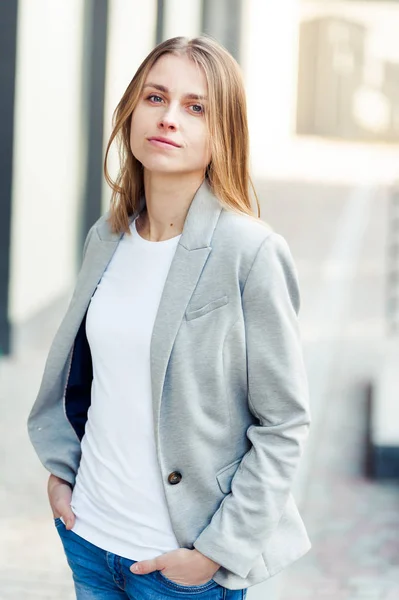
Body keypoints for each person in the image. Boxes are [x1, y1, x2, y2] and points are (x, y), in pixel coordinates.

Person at [27, 35, 311, 599]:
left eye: (195, 106)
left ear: (222, 132)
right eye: (156, 97)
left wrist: (214, 553)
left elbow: (283, 425)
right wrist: (62, 476)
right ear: (132, 112)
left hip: (180, 568)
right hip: (90, 537)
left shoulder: (248, 252)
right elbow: (89, 380)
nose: (169, 118)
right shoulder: (106, 239)